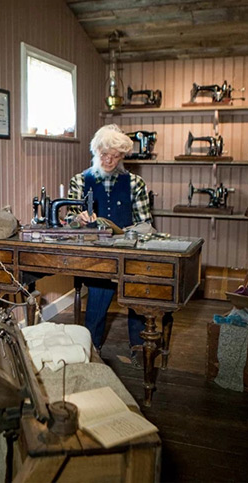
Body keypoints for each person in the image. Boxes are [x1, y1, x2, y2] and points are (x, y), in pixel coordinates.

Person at [67, 124, 152, 365]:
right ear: (95, 152)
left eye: (116, 157)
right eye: (105, 155)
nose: (110, 161)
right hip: (97, 252)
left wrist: (128, 233)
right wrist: (78, 219)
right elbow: (69, 220)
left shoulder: (135, 183)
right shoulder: (80, 181)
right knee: (99, 289)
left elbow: (146, 224)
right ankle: (92, 345)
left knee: (136, 288)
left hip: (128, 247)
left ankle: (138, 344)